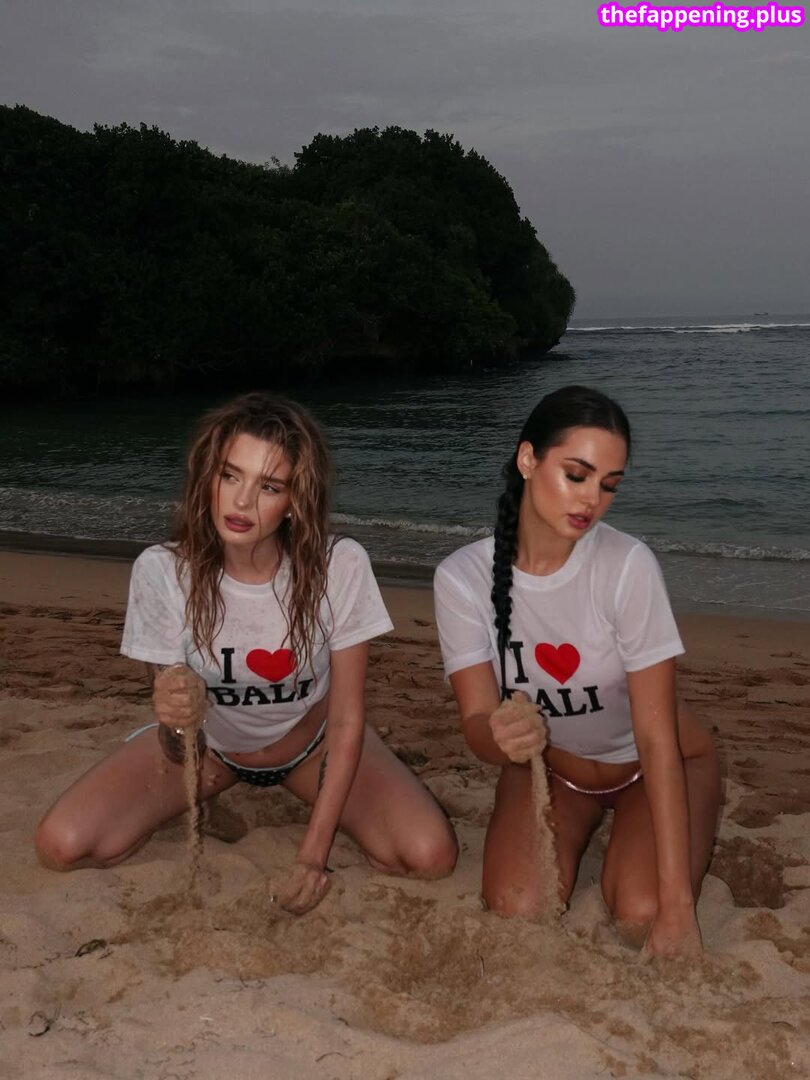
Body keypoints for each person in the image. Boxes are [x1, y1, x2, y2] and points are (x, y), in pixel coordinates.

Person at [36, 392, 457, 913]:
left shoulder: (337, 566)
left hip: (315, 750)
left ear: (295, 500)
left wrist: (313, 855)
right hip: (211, 754)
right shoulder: (163, 572)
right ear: (207, 478)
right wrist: (172, 719)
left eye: (269, 486)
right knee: (62, 845)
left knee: (428, 856)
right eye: (230, 476)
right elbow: (179, 744)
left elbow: (348, 719)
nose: (242, 502)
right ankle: (203, 796)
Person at [433, 385, 719, 957]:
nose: (592, 500)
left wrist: (679, 907)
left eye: (608, 485)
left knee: (642, 911)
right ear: (527, 458)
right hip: (553, 771)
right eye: (577, 475)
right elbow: (477, 726)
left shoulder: (627, 566)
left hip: (656, 766)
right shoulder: (463, 579)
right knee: (516, 906)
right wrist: (501, 735)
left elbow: (657, 739)